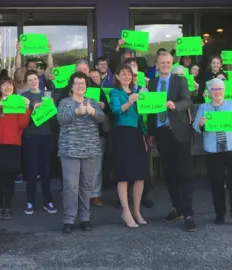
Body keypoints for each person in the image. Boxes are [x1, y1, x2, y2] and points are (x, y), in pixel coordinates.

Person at [146, 51, 196, 232]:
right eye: (162, 62)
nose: (165, 65)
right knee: (169, 174)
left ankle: (189, 214)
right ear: (156, 64)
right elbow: (150, 110)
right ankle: (178, 208)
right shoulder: (151, 83)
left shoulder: (179, 80)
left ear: (172, 63)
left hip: (179, 131)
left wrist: (176, 106)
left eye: (168, 62)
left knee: (184, 173)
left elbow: (187, 101)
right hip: (161, 134)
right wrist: (151, 133)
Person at [192, 78, 232, 228]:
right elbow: (195, 127)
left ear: (224, 91)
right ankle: (220, 214)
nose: (217, 92)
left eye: (219, 89)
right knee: (216, 183)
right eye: (214, 90)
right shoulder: (204, 107)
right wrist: (201, 124)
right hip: (213, 150)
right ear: (209, 92)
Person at [57, 72, 106, 234]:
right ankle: (69, 219)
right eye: (77, 83)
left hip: (90, 149)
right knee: (71, 186)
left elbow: (102, 118)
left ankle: (85, 218)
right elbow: (61, 119)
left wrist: (92, 112)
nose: (80, 86)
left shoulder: (92, 102)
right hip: (70, 150)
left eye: (83, 83)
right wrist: (76, 113)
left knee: (86, 186)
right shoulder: (65, 102)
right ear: (71, 86)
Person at [110, 65, 149, 228]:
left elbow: (142, 116)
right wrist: (131, 101)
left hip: (137, 134)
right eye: (123, 74)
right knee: (124, 175)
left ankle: (136, 210)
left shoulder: (139, 91)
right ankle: (126, 212)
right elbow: (116, 111)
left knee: (140, 175)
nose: (126, 77)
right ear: (117, 76)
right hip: (122, 134)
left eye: (129, 74)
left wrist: (145, 137)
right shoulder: (115, 92)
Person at [0, 76, 31, 219]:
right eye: (4, 85)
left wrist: (26, 108)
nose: (7, 87)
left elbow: (23, 124)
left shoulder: (19, 103)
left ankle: (7, 207)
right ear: (0, 88)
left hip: (13, 144)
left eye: (10, 85)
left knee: (9, 177)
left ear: (13, 89)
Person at [21, 70, 57, 215]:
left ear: (39, 80)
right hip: (31, 137)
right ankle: (30, 201)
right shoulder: (23, 97)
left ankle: (47, 200)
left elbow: (53, 117)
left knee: (46, 169)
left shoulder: (47, 95)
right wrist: (30, 108)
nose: (34, 82)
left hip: (46, 136)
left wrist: (52, 107)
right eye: (30, 80)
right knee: (32, 170)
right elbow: (22, 119)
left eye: (35, 79)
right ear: (26, 82)